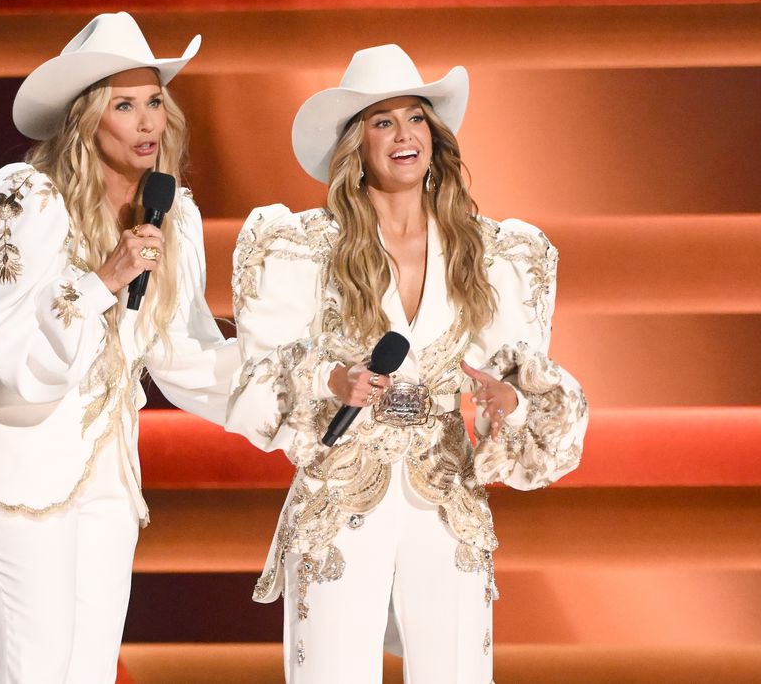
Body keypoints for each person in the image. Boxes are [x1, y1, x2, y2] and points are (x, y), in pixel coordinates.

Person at [226, 44, 588, 683]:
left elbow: (523, 374)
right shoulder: (303, 248)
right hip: (340, 488)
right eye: (383, 121)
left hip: (444, 488)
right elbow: (261, 374)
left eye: (416, 118)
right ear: (355, 145)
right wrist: (329, 379)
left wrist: (509, 401)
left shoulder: (491, 251)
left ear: (434, 137)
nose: (404, 135)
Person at [0, 12, 237, 683]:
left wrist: (307, 384)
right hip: (16, 461)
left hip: (107, 475)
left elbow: (184, 353)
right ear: (87, 118)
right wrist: (104, 279)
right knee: (33, 667)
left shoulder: (173, 215)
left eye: (154, 101)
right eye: (124, 105)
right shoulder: (23, 196)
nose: (147, 122)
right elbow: (16, 347)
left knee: (90, 670)